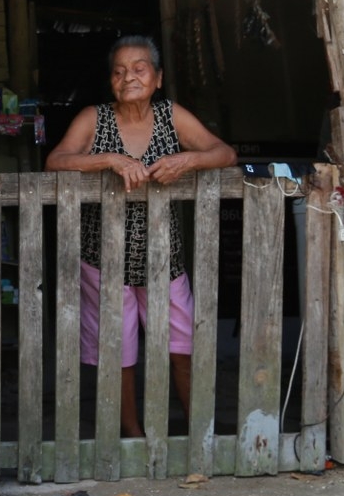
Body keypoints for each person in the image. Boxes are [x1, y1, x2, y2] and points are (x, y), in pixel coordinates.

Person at [44, 35, 235, 438]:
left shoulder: (171, 116)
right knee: (119, 352)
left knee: (182, 347)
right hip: (103, 258)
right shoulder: (94, 119)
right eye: (118, 71)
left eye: (138, 68)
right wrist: (108, 159)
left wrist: (189, 159)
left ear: (158, 77)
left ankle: (199, 429)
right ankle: (132, 435)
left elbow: (223, 153)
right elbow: (56, 161)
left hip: (166, 259)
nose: (127, 77)